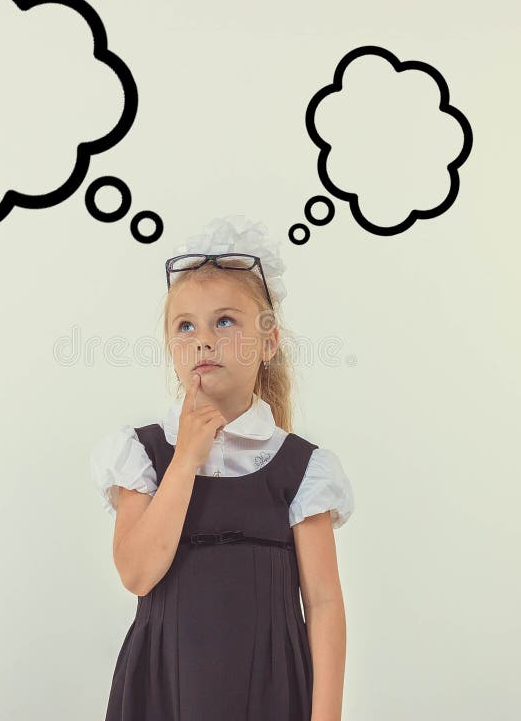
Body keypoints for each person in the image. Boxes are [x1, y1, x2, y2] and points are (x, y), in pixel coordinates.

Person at [89, 214, 355, 720]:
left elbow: (323, 603)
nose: (203, 340)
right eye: (185, 326)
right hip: (163, 690)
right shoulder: (143, 453)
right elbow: (137, 572)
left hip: (270, 694)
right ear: (171, 347)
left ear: (269, 342)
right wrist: (188, 455)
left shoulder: (302, 470)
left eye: (225, 321)